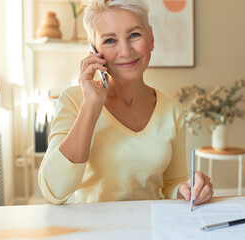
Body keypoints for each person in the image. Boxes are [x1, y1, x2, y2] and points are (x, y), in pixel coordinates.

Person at [38, 0, 213, 205]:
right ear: (93, 49)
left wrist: (190, 189)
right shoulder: (74, 101)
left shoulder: (172, 109)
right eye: (110, 40)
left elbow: (171, 184)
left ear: (151, 38)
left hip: (152, 229)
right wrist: (91, 107)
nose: (126, 51)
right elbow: (54, 192)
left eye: (134, 35)